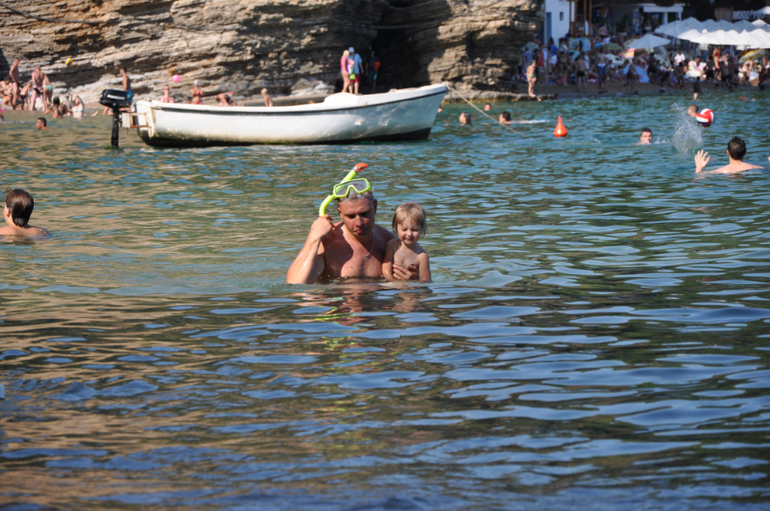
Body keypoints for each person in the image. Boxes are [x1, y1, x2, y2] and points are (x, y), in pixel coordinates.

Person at [286, 177, 401, 283]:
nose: (359, 223)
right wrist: (313, 237)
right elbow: (295, 286)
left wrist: (408, 280)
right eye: (351, 216)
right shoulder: (327, 242)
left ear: (375, 206)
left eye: (364, 214)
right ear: (340, 213)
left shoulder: (389, 242)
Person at [382, 202, 431, 282]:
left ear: (422, 229)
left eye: (414, 230)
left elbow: (426, 281)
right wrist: (394, 282)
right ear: (396, 229)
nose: (409, 234)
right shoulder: (392, 246)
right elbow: (386, 271)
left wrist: (414, 281)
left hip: (411, 288)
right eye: (404, 229)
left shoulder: (422, 256)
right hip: (392, 286)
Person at [695, 137, 764, 175]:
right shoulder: (758, 168)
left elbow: (698, 178)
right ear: (745, 152)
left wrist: (699, 167)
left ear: (728, 152)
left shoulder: (720, 171)